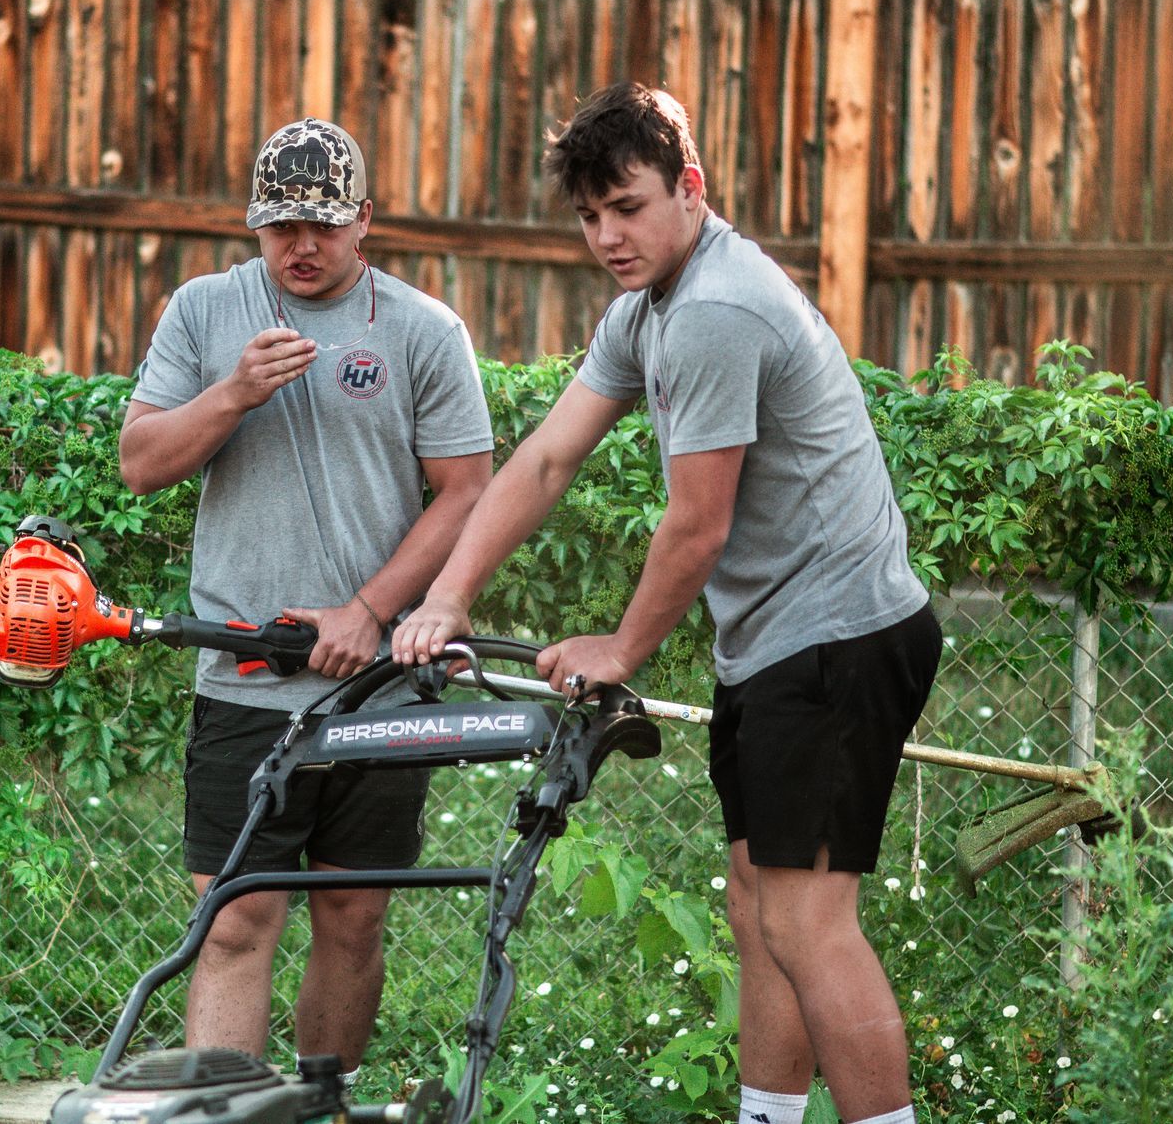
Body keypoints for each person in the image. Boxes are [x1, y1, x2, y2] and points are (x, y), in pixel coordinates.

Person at [391, 83, 941, 1124]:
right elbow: (548, 456)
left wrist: (621, 646)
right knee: (760, 911)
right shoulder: (647, 311)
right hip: (780, 642)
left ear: (691, 189)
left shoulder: (717, 311)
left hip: (839, 639)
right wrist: (449, 592)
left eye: (629, 207)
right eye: (590, 215)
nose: (609, 235)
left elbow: (699, 524)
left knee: (809, 920)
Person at [118, 117, 494, 1078]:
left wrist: (370, 612)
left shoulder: (422, 329)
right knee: (235, 917)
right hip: (244, 674)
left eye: (323, 224)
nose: (302, 245)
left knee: (354, 913)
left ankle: (325, 1104)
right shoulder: (204, 312)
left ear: (364, 220)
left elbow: (467, 490)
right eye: (281, 224)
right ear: (253, 223)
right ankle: (225, 1110)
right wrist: (232, 394)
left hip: (378, 686)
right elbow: (140, 463)